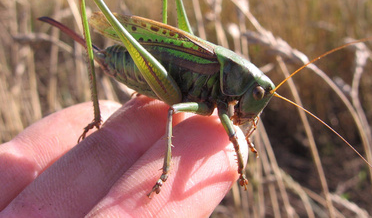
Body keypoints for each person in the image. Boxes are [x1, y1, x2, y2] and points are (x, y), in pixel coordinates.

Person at [0, 95, 248, 217]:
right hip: (153, 69)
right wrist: (164, 175)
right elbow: (173, 109)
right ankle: (163, 171)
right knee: (172, 110)